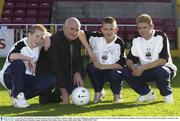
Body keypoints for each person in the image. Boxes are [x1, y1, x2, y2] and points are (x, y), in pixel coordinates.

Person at [121, 14, 177, 103]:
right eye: (139, 28)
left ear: (152, 26)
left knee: (161, 71)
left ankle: (167, 95)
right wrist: (133, 68)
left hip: (165, 68)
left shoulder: (160, 36)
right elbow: (129, 60)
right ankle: (147, 93)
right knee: (125, 71)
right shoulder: (136, 39)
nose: (142, 31)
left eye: (145, 27)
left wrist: (142, 67)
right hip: (146, 70)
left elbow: (163, 61)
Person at [36, 17, 90, 104]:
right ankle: (46, 95)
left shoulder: (77, 39)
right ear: (64, 28)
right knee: (49, 90)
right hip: (46, 72)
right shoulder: (55, 41)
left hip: (63, 69)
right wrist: (63, 90)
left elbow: (78, 58)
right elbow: (56, 67)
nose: (74, 32)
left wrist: (77, 72)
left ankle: (57, 95)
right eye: (71, 29)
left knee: (80, 74)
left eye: (77, 30)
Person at [0, 24, 56, 108]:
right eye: (37, 36)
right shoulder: (21, 44)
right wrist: (28, 59)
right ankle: (16, 94)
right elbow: (11, 56)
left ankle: (17, 95)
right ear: (29, 35)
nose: (39, 40)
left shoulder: (38, 45)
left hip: (24, 78)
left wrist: (46, 38)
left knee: (46, 83)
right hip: (8, 76)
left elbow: (48, 35)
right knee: (19, 64)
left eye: (41, 38)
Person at [79, 17, 126, 103]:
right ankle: (98, 92)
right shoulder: (96, 37)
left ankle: (117, 94)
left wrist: (102, 66)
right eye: (105, 29)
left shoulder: (119, 42)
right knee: (90, 67)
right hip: (99, 71)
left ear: (116, 29)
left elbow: (122, 65)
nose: (108, 32)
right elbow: (80, 32)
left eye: (111, 29)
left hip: (112, 71)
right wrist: (89, 50)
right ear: (101, 29)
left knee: (116, 73)